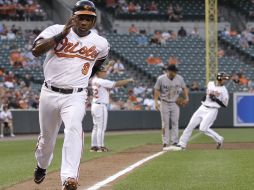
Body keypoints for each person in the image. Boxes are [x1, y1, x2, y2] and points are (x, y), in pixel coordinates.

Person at [31, 1, 110, 189]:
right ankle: (42, 165)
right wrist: (62, 34)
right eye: (80, 16)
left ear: (94, 21)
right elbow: (36, 51)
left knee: (74, 129)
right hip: (49, 92)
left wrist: (79, 80)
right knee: (46, 140)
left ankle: (69, 178)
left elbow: (96, 65)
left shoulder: (101, 43)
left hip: (76, 95)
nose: (84, 21)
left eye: (88, 18)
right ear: (72, 16)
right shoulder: (55, 29)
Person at [168, 72, 230, 151]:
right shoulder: (210, 83)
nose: (225, 80)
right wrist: (204, 98)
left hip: (212, 110)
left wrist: (216, 99)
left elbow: (225, 105)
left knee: (203, 128)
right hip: (202, 107)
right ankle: (182, 144)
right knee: (190, 126)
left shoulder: (224, 90)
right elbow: (207, 94)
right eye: (224, 79)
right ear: (219, 78)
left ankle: (219, 139)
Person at [90, 66, 133, 152]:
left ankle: (94, 146)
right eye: (103, 72)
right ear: (99, 73)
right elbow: (116, 84)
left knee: (96, 127)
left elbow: (102, 70)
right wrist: (128, 80)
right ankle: (101, 147)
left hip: (94, 105)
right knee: (101, 128)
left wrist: (109, 65)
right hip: (100, 106)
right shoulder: (102, 81)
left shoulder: (94, 79)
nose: (105, 73)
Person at [154, 65, 189, 150]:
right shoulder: (161, 78)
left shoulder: (179, 78)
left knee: (175, 122)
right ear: (168, 71)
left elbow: (184, 88)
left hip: (175, 103)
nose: (174, 73)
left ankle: (175, 141)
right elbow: (157, 90)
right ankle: (165, 142)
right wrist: (156, 102)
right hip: (164, 102)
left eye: (175, 71)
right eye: (173, 71)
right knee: (165, 123)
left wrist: (187, 97)